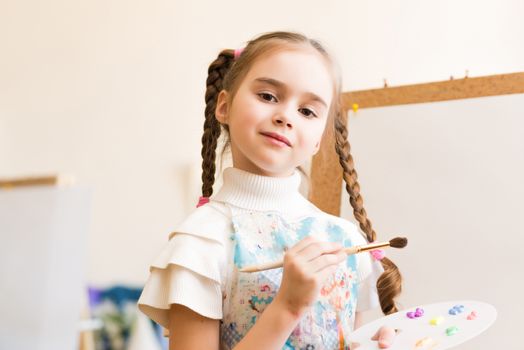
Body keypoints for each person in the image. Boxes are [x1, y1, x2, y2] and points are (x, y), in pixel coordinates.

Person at [138, 31, 402, 350]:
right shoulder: (201, 242)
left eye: (307, 111)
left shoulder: (343, 240)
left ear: (319, 139)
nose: (285, 116)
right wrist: (287, 307)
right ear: (224, 106)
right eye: (268, 96)